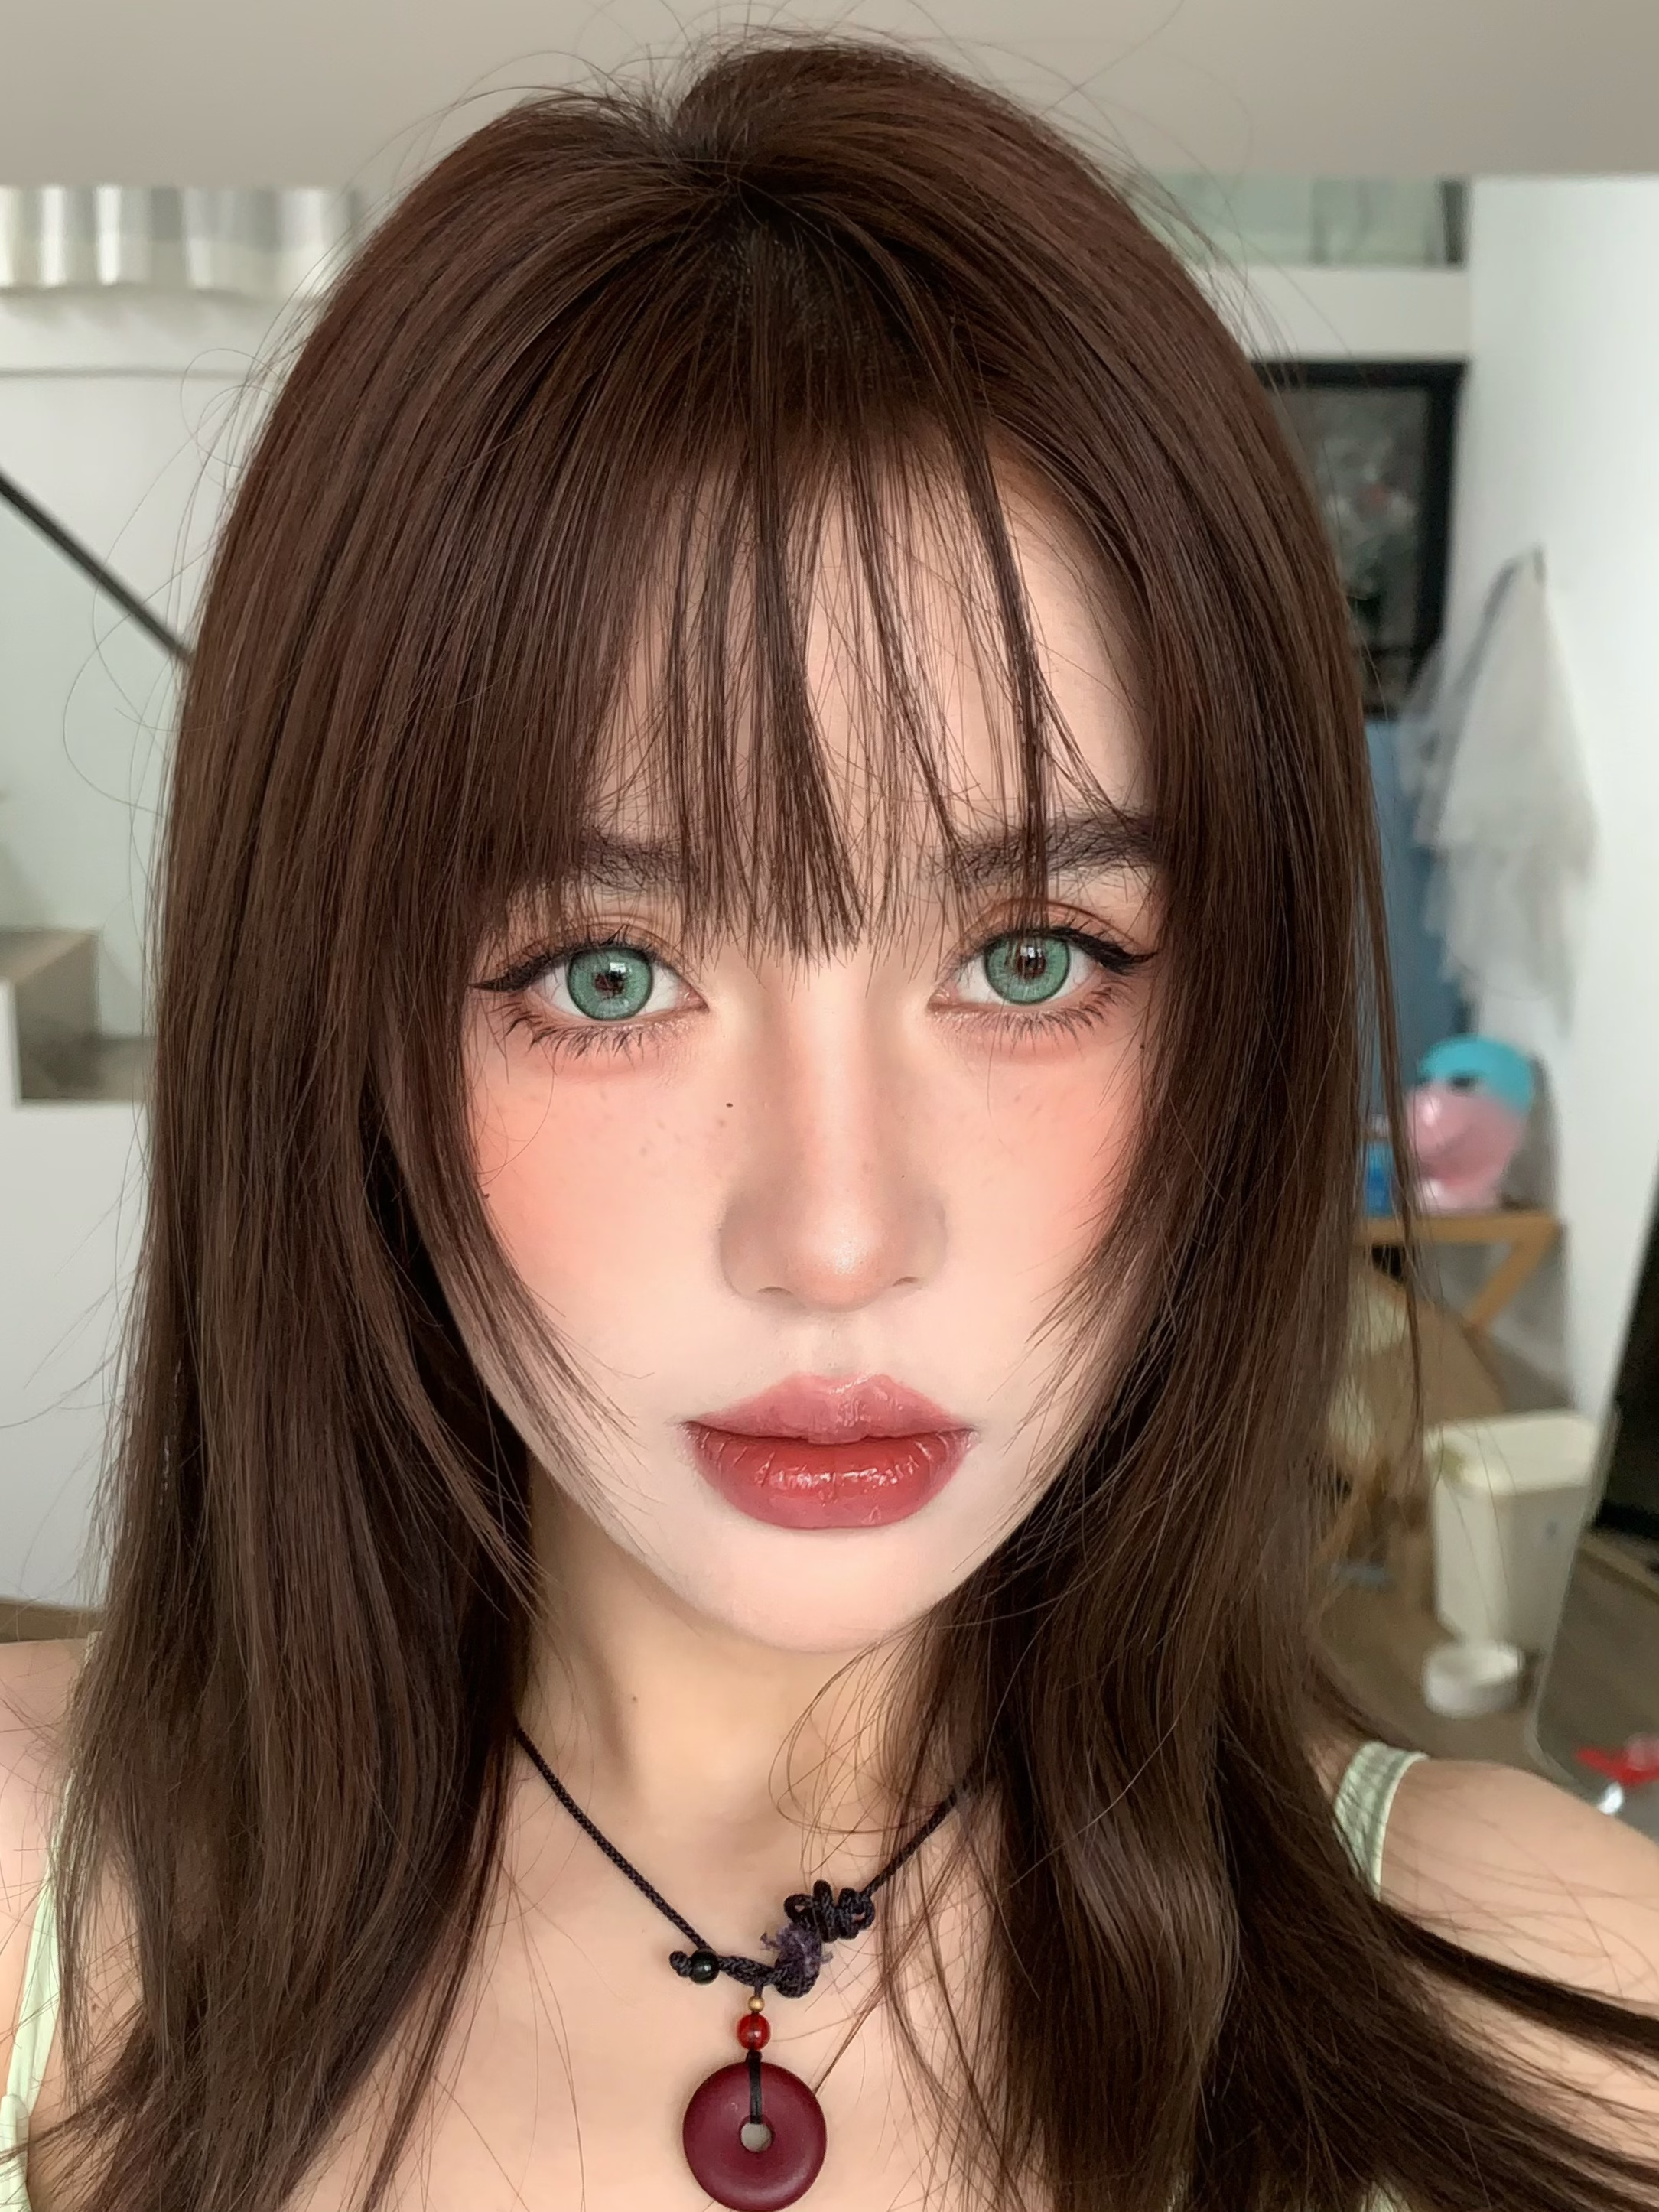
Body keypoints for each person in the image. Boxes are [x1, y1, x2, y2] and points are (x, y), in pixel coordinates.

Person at [2, 36, 1657, 2212]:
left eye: (1034, 957)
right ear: (338, 1043)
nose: (840, 1231)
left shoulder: (1554, 2005)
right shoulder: (41, 1915)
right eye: (606, 973)